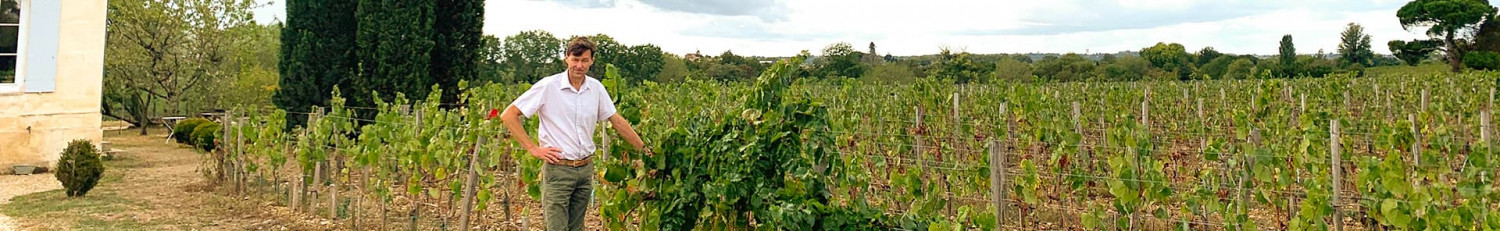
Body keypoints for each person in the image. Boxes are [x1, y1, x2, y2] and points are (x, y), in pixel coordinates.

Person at [498, 36, 648, 231]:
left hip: (585, 170)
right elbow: (509, 115)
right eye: (575, 59)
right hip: (558, 170)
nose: (579, 65)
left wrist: (645, 150)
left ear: (592, 61)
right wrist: (533, 148)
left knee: (576, 228)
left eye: (584, 60)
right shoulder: (548, 86)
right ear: (566, 58)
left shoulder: (596, 89)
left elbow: (617, 121)